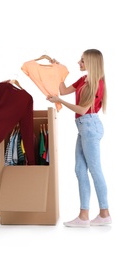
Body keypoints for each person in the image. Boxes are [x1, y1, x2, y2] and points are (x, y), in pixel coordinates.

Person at [47, 49, 112, 227]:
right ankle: (84, 216)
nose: (79, 63)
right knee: (79, 169)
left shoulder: (96, 83)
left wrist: (58, 101)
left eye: (82, 60)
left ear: (91, 63)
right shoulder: (83, 80)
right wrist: (57, 69)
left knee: (95, 170)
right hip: (84, 127)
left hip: (90, 126)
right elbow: (63, 89)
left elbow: (82, 110)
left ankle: (105, 213)